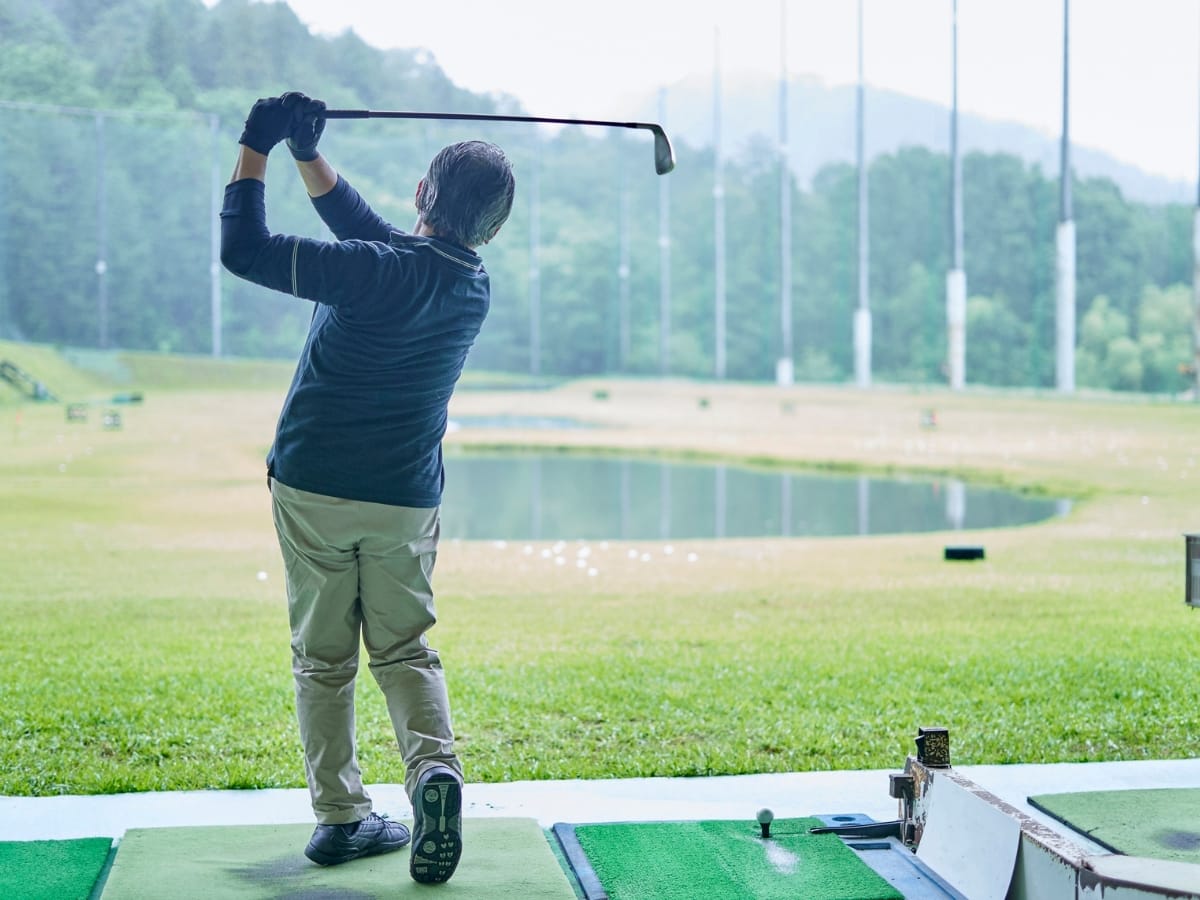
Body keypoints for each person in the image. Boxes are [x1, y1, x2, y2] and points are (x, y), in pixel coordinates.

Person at [220, 92, 515, 885]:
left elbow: (243, 251)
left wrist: (257, 144)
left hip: (314, 486)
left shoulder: (370, 270)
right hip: (406, 499)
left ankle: (343, 819)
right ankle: (433, 776)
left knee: (324, 661)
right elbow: (371, 235)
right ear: (492, 227)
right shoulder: (470, 285)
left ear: (422, 195)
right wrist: (307, 155)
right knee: (404, 650)